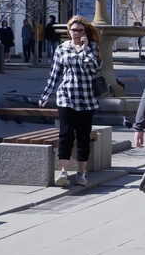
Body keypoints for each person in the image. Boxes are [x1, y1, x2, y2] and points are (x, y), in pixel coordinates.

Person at [38, 15, 103, 187]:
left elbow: (94, 67)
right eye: (73, 30)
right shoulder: (62, 48)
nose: (76, 33)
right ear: (69, 31)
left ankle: (82, 172)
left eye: (80, 30)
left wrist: (85, 48)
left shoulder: (93, 47)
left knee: (83, 135)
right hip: (66, 96)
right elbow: (55, 74)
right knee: (65, 134)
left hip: (86, 99)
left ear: (85, 32)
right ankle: (64, 172)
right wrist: (46, 95)